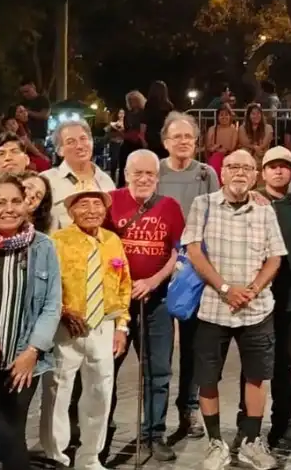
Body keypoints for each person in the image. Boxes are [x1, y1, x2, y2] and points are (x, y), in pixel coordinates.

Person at [181, 149, 287, 470]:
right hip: (214, 307)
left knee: (257, 377)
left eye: (246, 168)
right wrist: (225, 288)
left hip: (257, 309)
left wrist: (253, 289)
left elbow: (275, 257)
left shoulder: (265, 211)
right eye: (232, 167)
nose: (239, 172)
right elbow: (194, 251)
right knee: (208, 377)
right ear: (222, 172)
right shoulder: (204, 205)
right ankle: (216, 443)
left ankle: (252, 441)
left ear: (255, 176)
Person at [0, 174, 62, 470]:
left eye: (16, 201)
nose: (9, 209)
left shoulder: (42, 247)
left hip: (23, 361)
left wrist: (32, 352)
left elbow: (51, 305)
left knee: (11, 435)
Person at [40, 183, 131, 470]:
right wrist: (64, 311)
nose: (91, 211)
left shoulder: (113, 240)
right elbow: (49, 285)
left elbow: (123, 284)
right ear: (70, 210)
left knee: (100, 393)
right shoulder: (57, 241)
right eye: (83, 204)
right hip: (67, 328)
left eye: (97, 204)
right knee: (58, 391)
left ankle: (90, 457)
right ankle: (56, 455)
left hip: (103, 327)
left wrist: (121, 327)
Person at [102, 150, 185, 462]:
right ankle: (102, 435)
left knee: (158, 372)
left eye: (150, 173)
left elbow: (177, 252)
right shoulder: (110, 202)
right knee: (107, 371)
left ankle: (154, 433)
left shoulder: (170, 207)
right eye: (137, 173)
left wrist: (154, 280)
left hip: (157, 301)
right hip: (115, 306)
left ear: (158, 177)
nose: (144, 178)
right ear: (125, 174)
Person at [229, 147, 291, 452]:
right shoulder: (250, 202)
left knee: (284, 364)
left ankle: (282, 425)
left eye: (284, 166)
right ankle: (246, 425)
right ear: (262, 173)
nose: (278, 171)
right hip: (256, 296)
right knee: (252, 364)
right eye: (272, 167)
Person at [157, 111, 219, 439]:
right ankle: (155, 418)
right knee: (159, 350)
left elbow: (219, 214)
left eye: (188, 137)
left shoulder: (206, 173)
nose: (183, 142)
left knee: (194, 346)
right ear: (165, 141)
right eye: (176, 137)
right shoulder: (153, 172)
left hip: (194, 272)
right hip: (158, 270)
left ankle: (189, 409)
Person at [43, 120, 116, 231]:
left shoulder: (106, 181)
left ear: (91, 142)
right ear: (60, 150)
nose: (80, 146)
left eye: (83, 139)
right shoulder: (46, 181)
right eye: (71, 141)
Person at [205, 104, 239, 181]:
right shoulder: (212, 129)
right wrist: (216, 148)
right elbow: (209, 147)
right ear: (217, 117)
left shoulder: (233, 130)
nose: (224, 117)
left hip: (229, 156)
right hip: (215, 155)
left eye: (226, 115)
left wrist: (224, 150)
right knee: (216, 159)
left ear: (230, 117)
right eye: (221, 115)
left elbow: (232, 146)